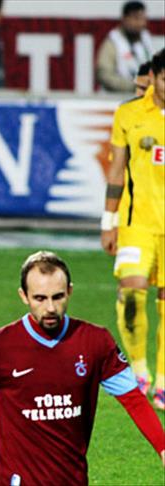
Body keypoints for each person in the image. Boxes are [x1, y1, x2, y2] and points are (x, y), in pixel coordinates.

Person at [0, 251, 165, 486]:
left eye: (58, 297)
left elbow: (133, 399)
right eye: (40, 298)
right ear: (23, 296)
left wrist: (163, 448)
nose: (50, 308)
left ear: (70, 291)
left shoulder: (95, 342)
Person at [101, 49, 165, 410]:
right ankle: (139, 371)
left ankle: (164, 382)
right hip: (135, 223)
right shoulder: (129, 114)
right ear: (154, 77)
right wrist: (108, 221)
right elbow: (116, 172)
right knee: (132, 291)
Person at [97, 1, 154, 93]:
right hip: (116, 98)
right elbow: (104, 75)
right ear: (124, 19)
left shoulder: (146, 39)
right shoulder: (113, 42)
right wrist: (133, 86)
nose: (140, 23)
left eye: (143, 19)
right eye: (136, 18)